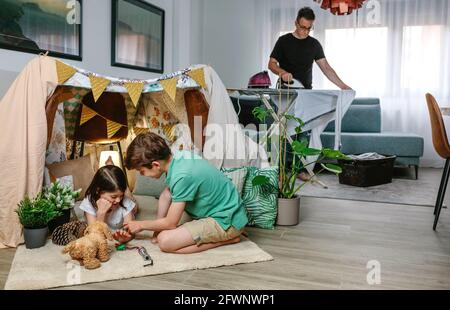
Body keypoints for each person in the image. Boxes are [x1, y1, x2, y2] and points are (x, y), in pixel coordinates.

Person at [123, 132, 248, 254]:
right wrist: (157, 229)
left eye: (141, 171)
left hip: (226, 221)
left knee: (165, 241)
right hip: (229, 212)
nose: (141, 175)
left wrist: (141, 225)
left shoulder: (182, 176)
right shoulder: (180, 157)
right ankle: (225, 235)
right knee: (166, 194)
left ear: (156, 165)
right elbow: (167, 195)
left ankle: (229, 239)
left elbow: (171, 223)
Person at [268, 6, 352, 180]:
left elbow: (326, 68)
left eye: (308, 28)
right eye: (302, 27)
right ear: (296, 22)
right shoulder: (283, 41)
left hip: (305, 93)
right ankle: (281, 170)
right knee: (284, 133)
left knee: (302, 131)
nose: (305, 31)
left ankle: (299, 170)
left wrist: (343, 86)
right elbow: (271, 64)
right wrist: (282, 72)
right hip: (286, 93)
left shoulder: (314, 45)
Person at [79, 165, 137, 244]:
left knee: (135, 208)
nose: (118, 200)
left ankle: (127, 192)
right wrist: (101, 213)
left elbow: (131, 232)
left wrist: (125, 238)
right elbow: (94, 234)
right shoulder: (89, 202)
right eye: (113, 196)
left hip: (130, 205)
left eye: (121, 195)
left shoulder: (124, 201)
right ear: (98, 191)